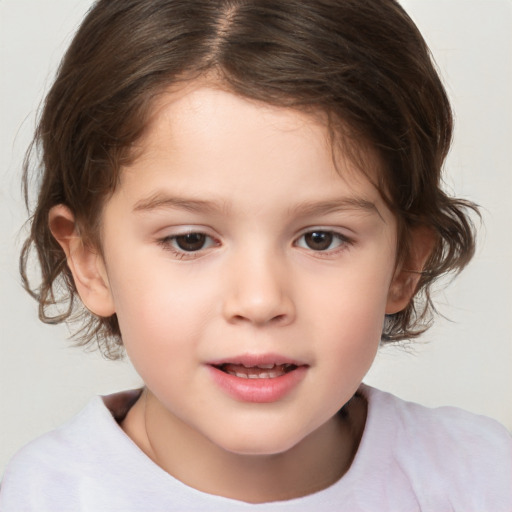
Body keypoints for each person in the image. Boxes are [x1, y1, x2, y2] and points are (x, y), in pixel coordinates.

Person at [1, 0, 510, 510]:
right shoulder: (42, 498)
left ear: (403, 265)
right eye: (190, 240)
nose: (261, 300)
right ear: (90, 261)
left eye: (320, 239)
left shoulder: (483, 480)